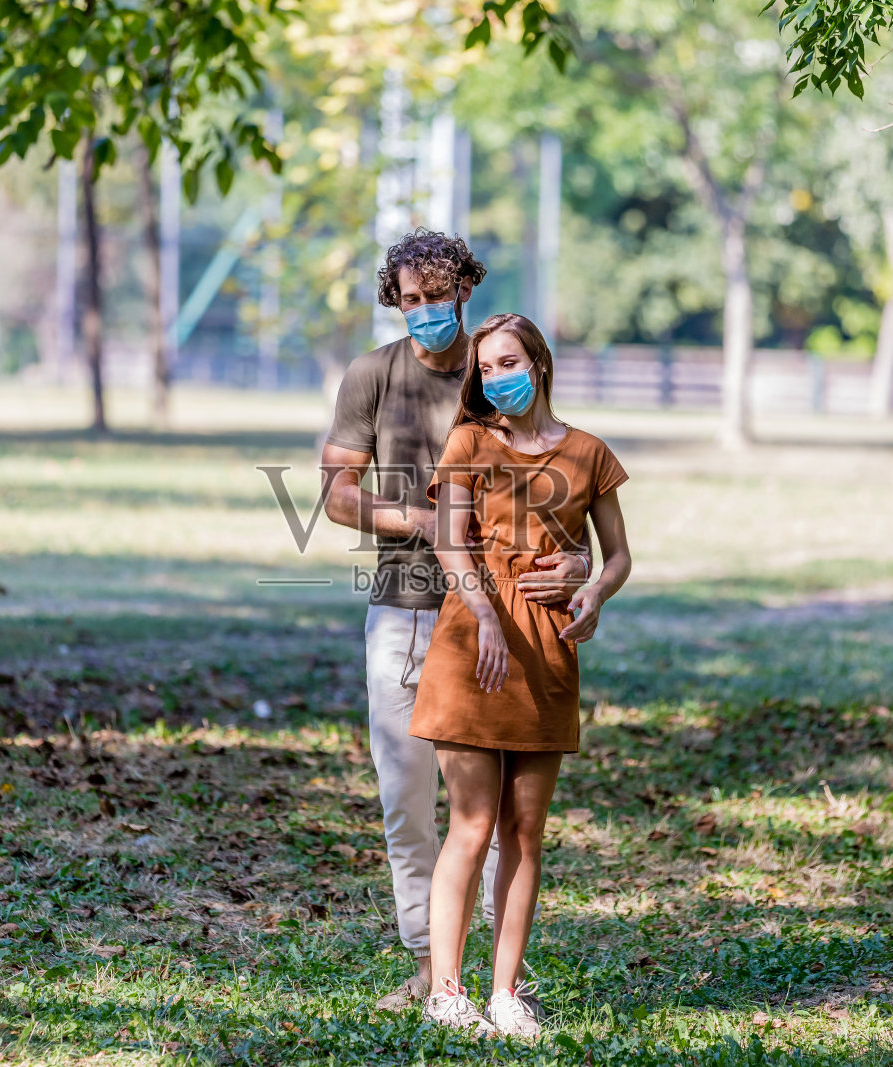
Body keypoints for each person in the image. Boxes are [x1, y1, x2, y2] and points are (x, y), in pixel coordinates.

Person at [321, 231, 592, 1012]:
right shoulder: (374, 375)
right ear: (394, 300)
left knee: (504, 815)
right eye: (410, 300)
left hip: (507, 622)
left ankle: (501, 980)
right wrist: (419, 519)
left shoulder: (496, 365)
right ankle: (428, 964)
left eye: (438, 298)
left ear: (463, 292)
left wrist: (577, 567)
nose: (425, 313)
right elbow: (337, 495)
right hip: (406, 610)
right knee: (407, 799)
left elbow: (558, 481)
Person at [410, 313, 633, 1038]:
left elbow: (618, 555)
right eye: (485, 368)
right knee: (471, 824)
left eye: (509, 361)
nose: (496, 376)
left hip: (549, 647)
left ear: (538, 361)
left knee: (525, 828)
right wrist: (482, 613)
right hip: (474, 641)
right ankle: (447, 990)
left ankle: (506, 991)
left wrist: (592, 589)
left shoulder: (589, 453)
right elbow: (451, 539)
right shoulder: (472, 440)